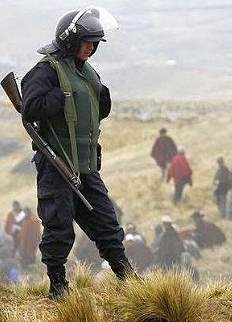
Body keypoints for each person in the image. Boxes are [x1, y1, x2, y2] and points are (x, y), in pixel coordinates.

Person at [21, 7, 134, 298]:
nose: (91, 47)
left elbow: (96, 110)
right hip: (56, 165)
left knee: (107, 222)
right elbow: (29, 109)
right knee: (59, 226)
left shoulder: (86, 72)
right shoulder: (46, 71)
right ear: (70, 40)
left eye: (95, 43)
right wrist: (59, 98)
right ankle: (57, 285)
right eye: (86, 41)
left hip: (85, 167)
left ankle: (127, 277)